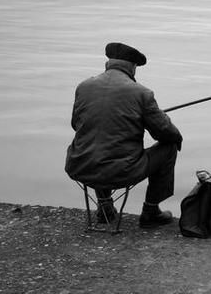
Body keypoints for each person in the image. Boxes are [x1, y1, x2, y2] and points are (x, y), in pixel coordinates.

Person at [65, 42, 183, 228]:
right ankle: (150, 211)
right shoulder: (142, 94)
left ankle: (105, 207)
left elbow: (75, 124)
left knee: (98, 143)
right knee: (169, 148)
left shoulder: (84, 86)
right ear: (133, 67)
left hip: (80, 166)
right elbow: (165, 133)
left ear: (109, 63)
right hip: (121, 172)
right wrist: (168, 126)